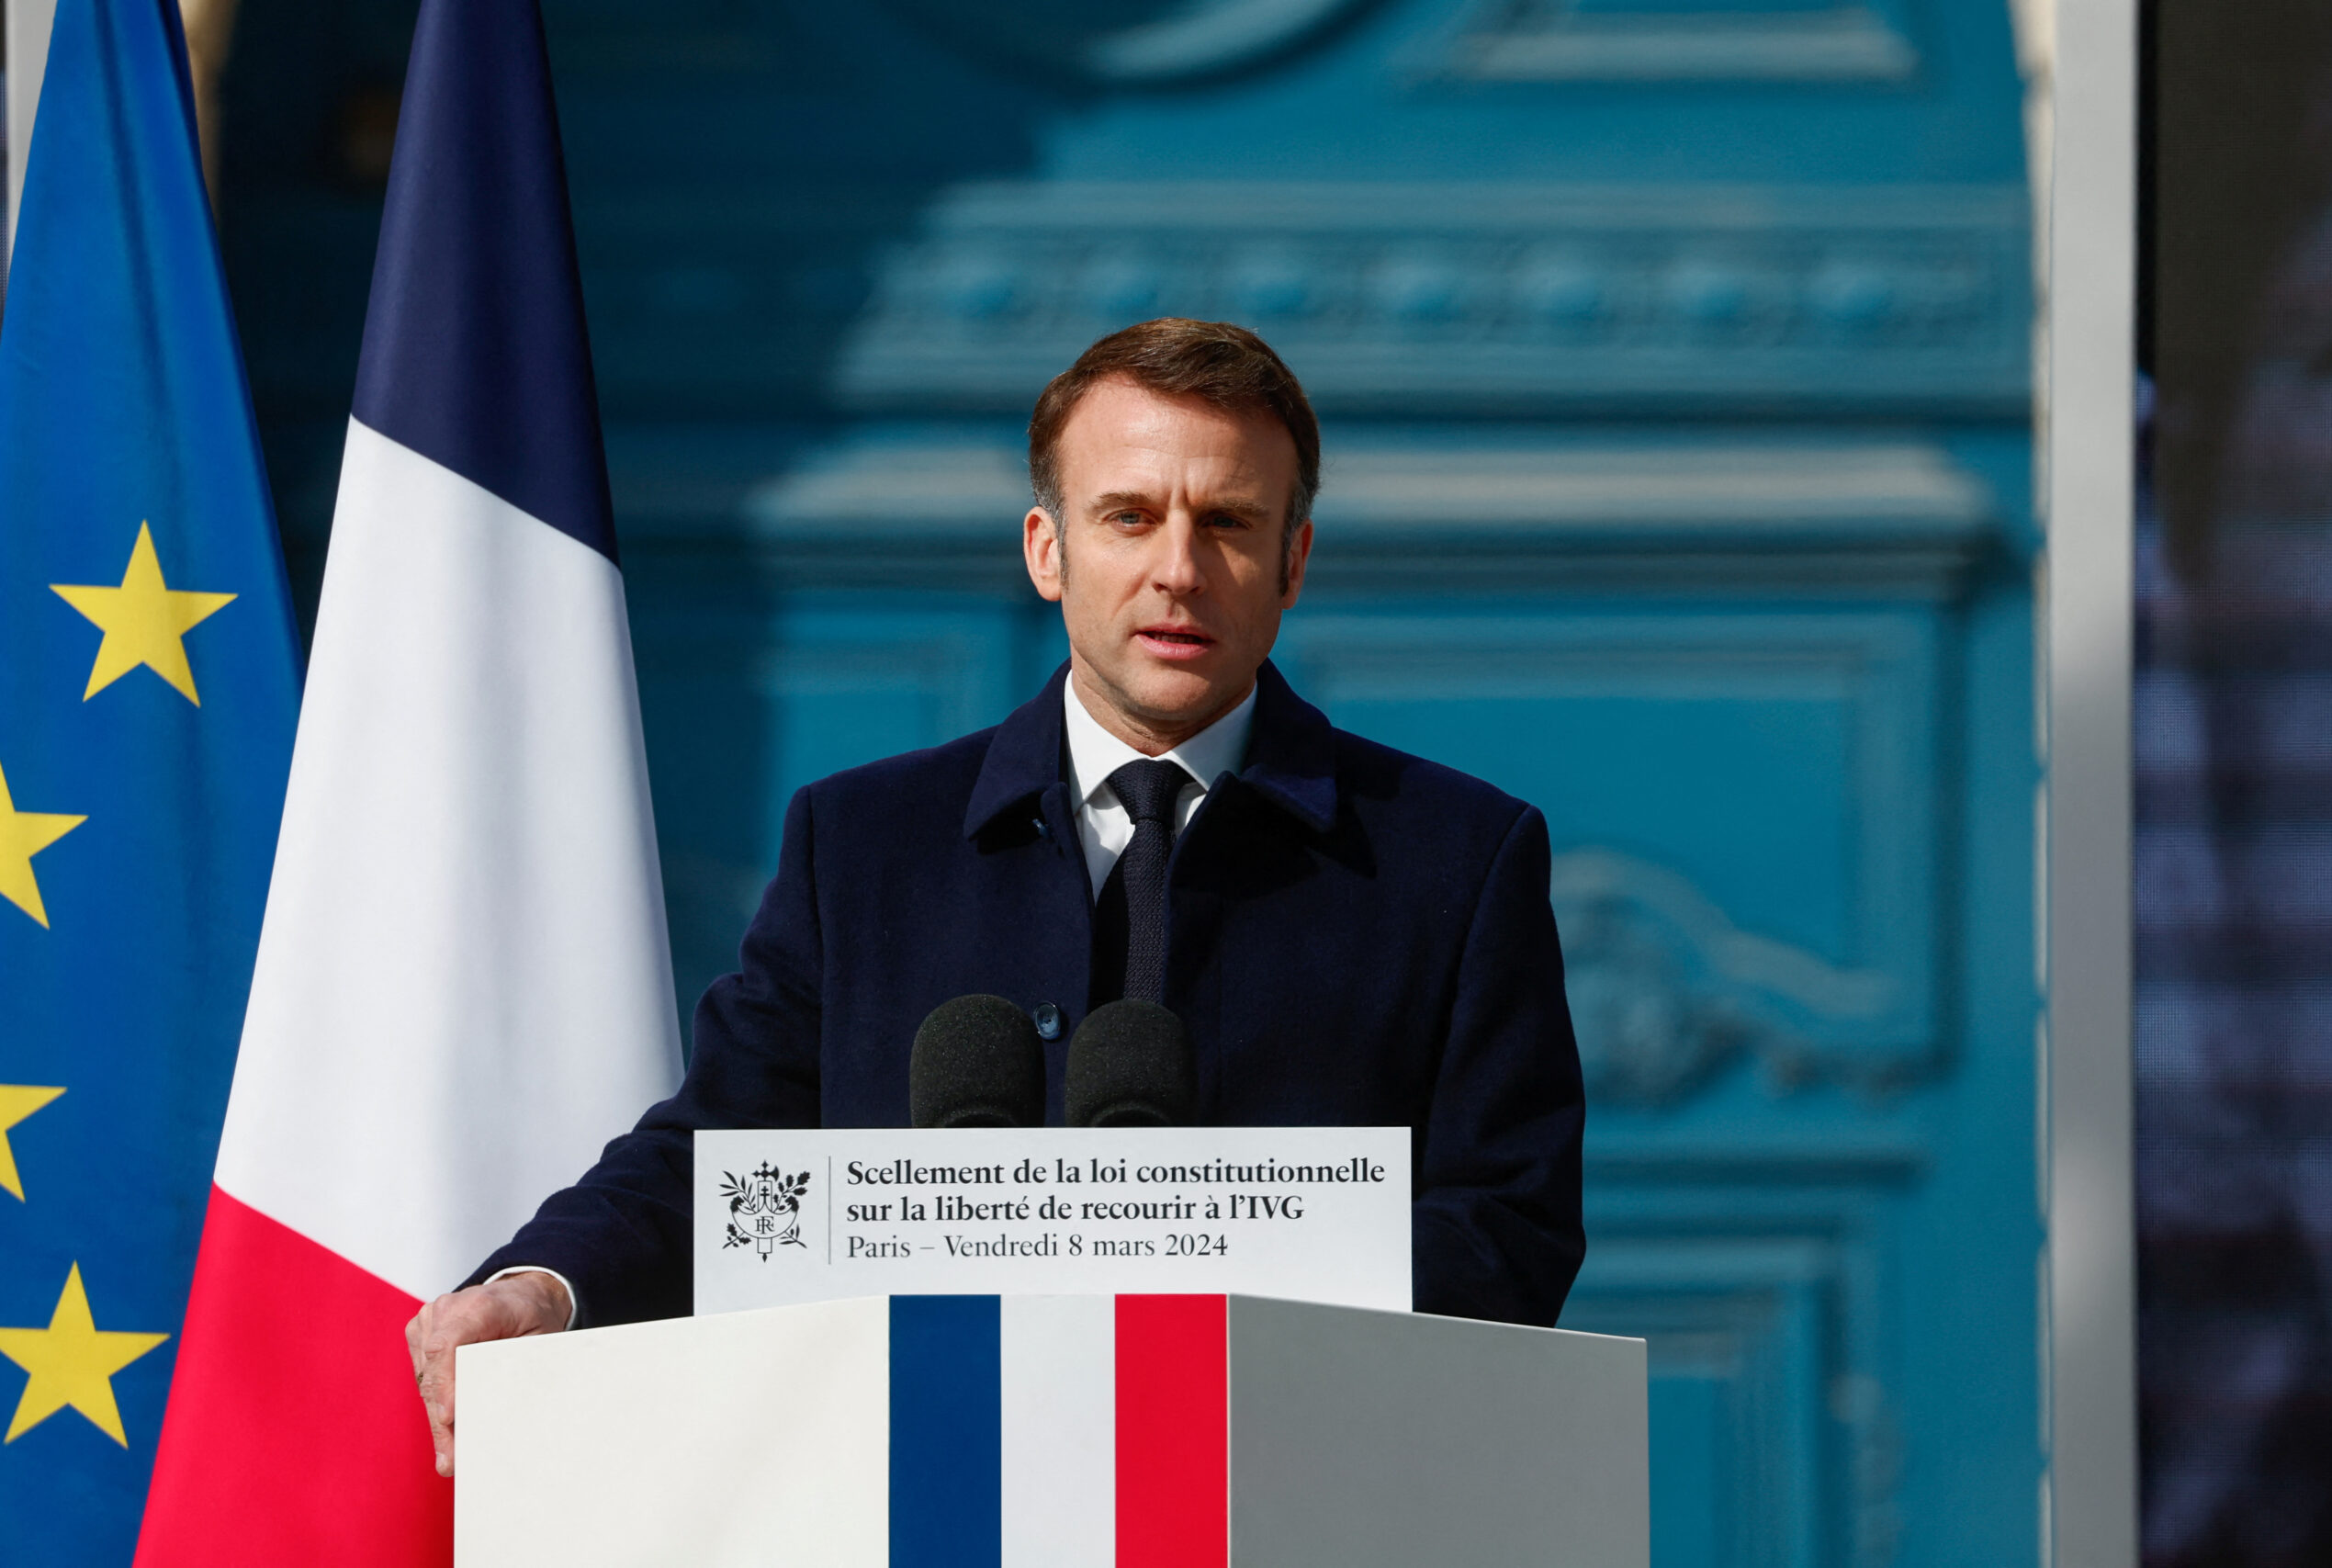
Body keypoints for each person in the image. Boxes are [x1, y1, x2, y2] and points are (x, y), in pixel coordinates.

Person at [406, 318, 1585, 1475]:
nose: (1178, 568)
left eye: (1227, 521)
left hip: (1288, 1492)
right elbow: (727, 1156)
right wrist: (541, 1286)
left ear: (1293, 561)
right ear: (1046, 549)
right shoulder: (861, 843)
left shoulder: (1455, 858)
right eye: (1128, 516)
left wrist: (1229, 1334)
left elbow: (1507, 1225)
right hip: (926, 1489)